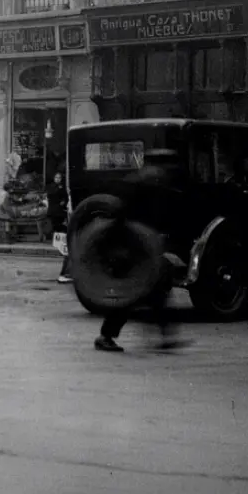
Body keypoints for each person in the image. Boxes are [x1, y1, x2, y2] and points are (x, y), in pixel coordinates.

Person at [93, 149, 187, 353]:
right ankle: (106, 335)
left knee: (156, 292)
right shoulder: (145, 183)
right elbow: (122, 217)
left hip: (143, 249)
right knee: (133, 294)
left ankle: (164, 336)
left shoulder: (147, 182)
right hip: (133, 249)